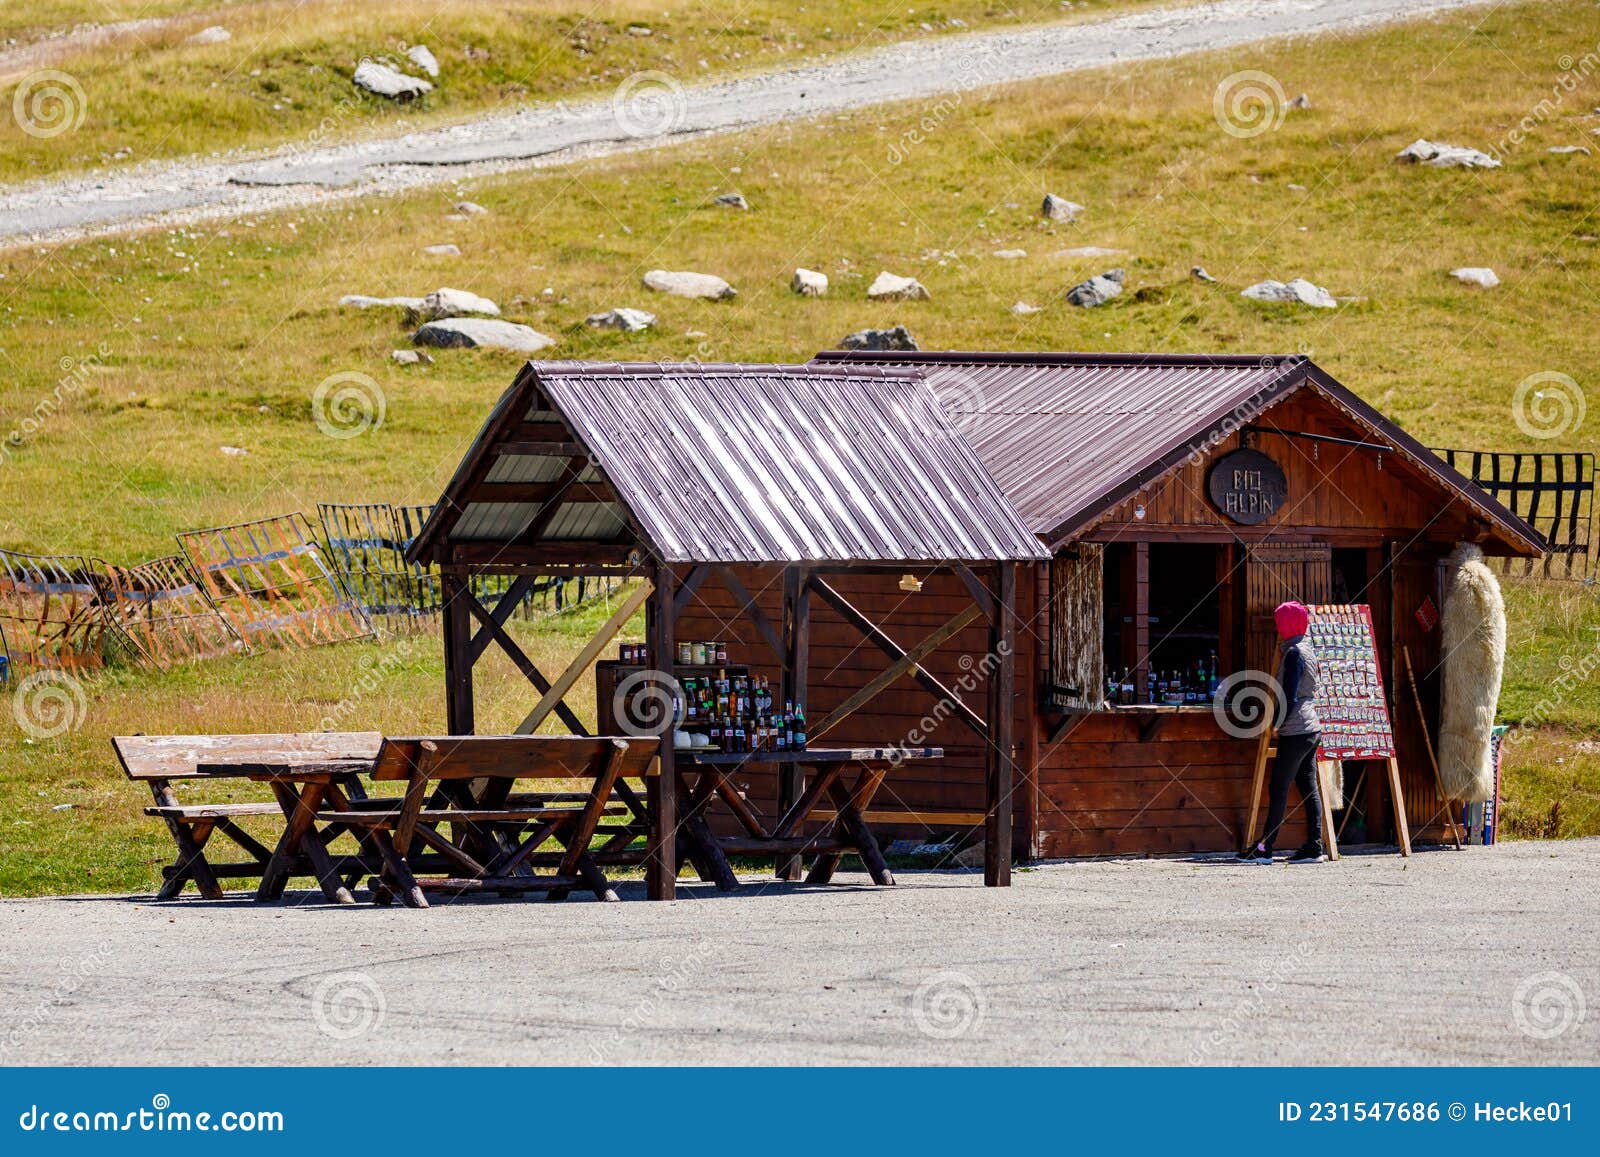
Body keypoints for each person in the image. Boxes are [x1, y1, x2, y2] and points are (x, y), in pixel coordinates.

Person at [1239, 600, 1326, 864]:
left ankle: (1265, 849)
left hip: (1296, 729)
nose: (1278, 628)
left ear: (1286, 625)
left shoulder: (1294, 654)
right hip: (1312, 727)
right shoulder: (1308, 650)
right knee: (1308, 787)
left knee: (1278, 787)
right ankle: (1314, 846)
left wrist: (1276, 722)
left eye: (1279, 623)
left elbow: (1288, 694)